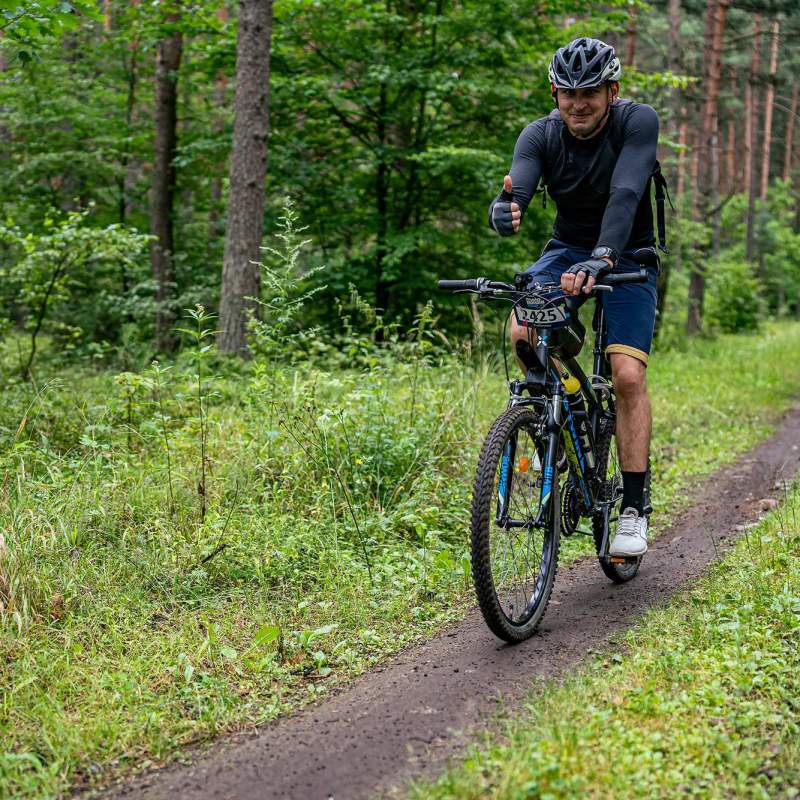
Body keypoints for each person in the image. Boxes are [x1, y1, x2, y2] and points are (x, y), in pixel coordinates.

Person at [488, 37, 660, 558]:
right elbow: (516, 186)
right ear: (555, 94)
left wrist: (604, 255)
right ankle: (552, 415)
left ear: (612, 90)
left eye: (589, 92)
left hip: (629, 253)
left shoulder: (638, 122)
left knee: (627, 375)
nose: (578, 104)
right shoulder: (539, 135)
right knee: (521, 329)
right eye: (568, 93)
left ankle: (632, 508)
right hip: (566, 250)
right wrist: (505, 208)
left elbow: (627, 193)